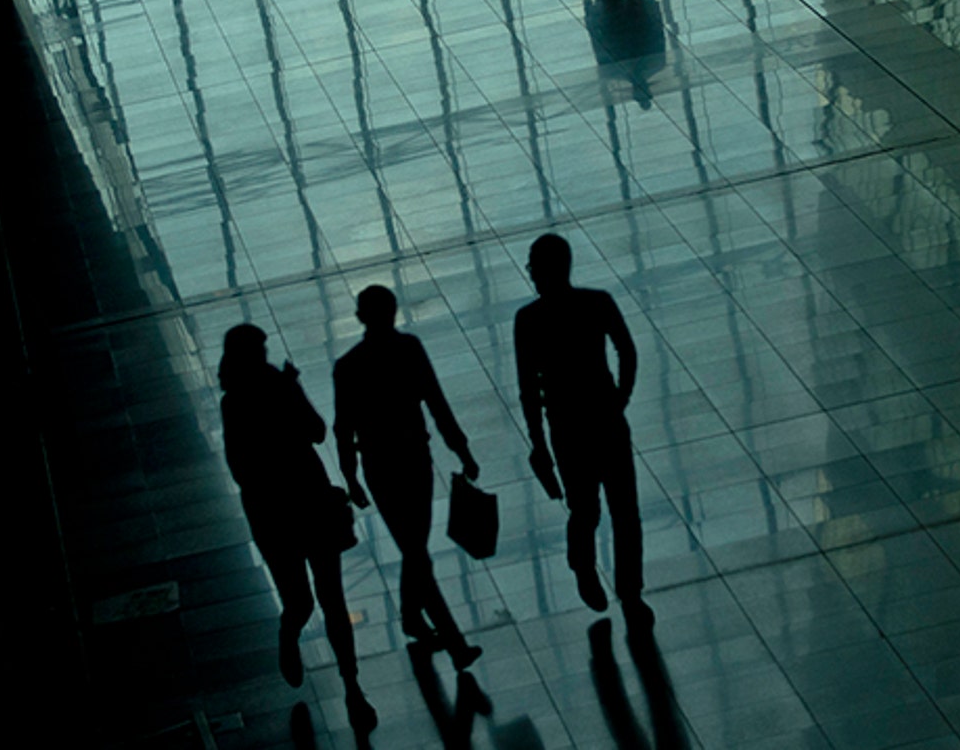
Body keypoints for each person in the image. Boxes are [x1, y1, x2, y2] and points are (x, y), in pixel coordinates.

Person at [218, 324, 375, 731]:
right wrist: (291, 393)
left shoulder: (236, 401)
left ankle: (346, 682)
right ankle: (349, 685)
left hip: (276, 513)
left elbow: (242, 469)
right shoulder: (260, 391)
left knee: (311, 599)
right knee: (323, 599)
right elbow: (316, 431)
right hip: (303, 502)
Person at [334, 286, 484, 670]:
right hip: (415, 458)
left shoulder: (349, 366)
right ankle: (454, 643)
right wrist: (461, 450)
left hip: (380, 466)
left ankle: (413, 617)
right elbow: (436, 402)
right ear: (393, 311)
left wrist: (351, 477)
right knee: (416, 550)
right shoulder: (409, 349)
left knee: (413, 548)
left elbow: (343, 428)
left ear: (359, 316)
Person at [514, 233, 649, 624]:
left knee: (584, 507)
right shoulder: (597, 302)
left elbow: (528, 386)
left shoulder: (529, 320)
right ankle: (630, 590)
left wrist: (537, 441)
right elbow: (627, 350)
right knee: (625, 510)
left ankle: (584, 566)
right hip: (606, 417)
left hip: (566, 425)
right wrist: (620, 397)